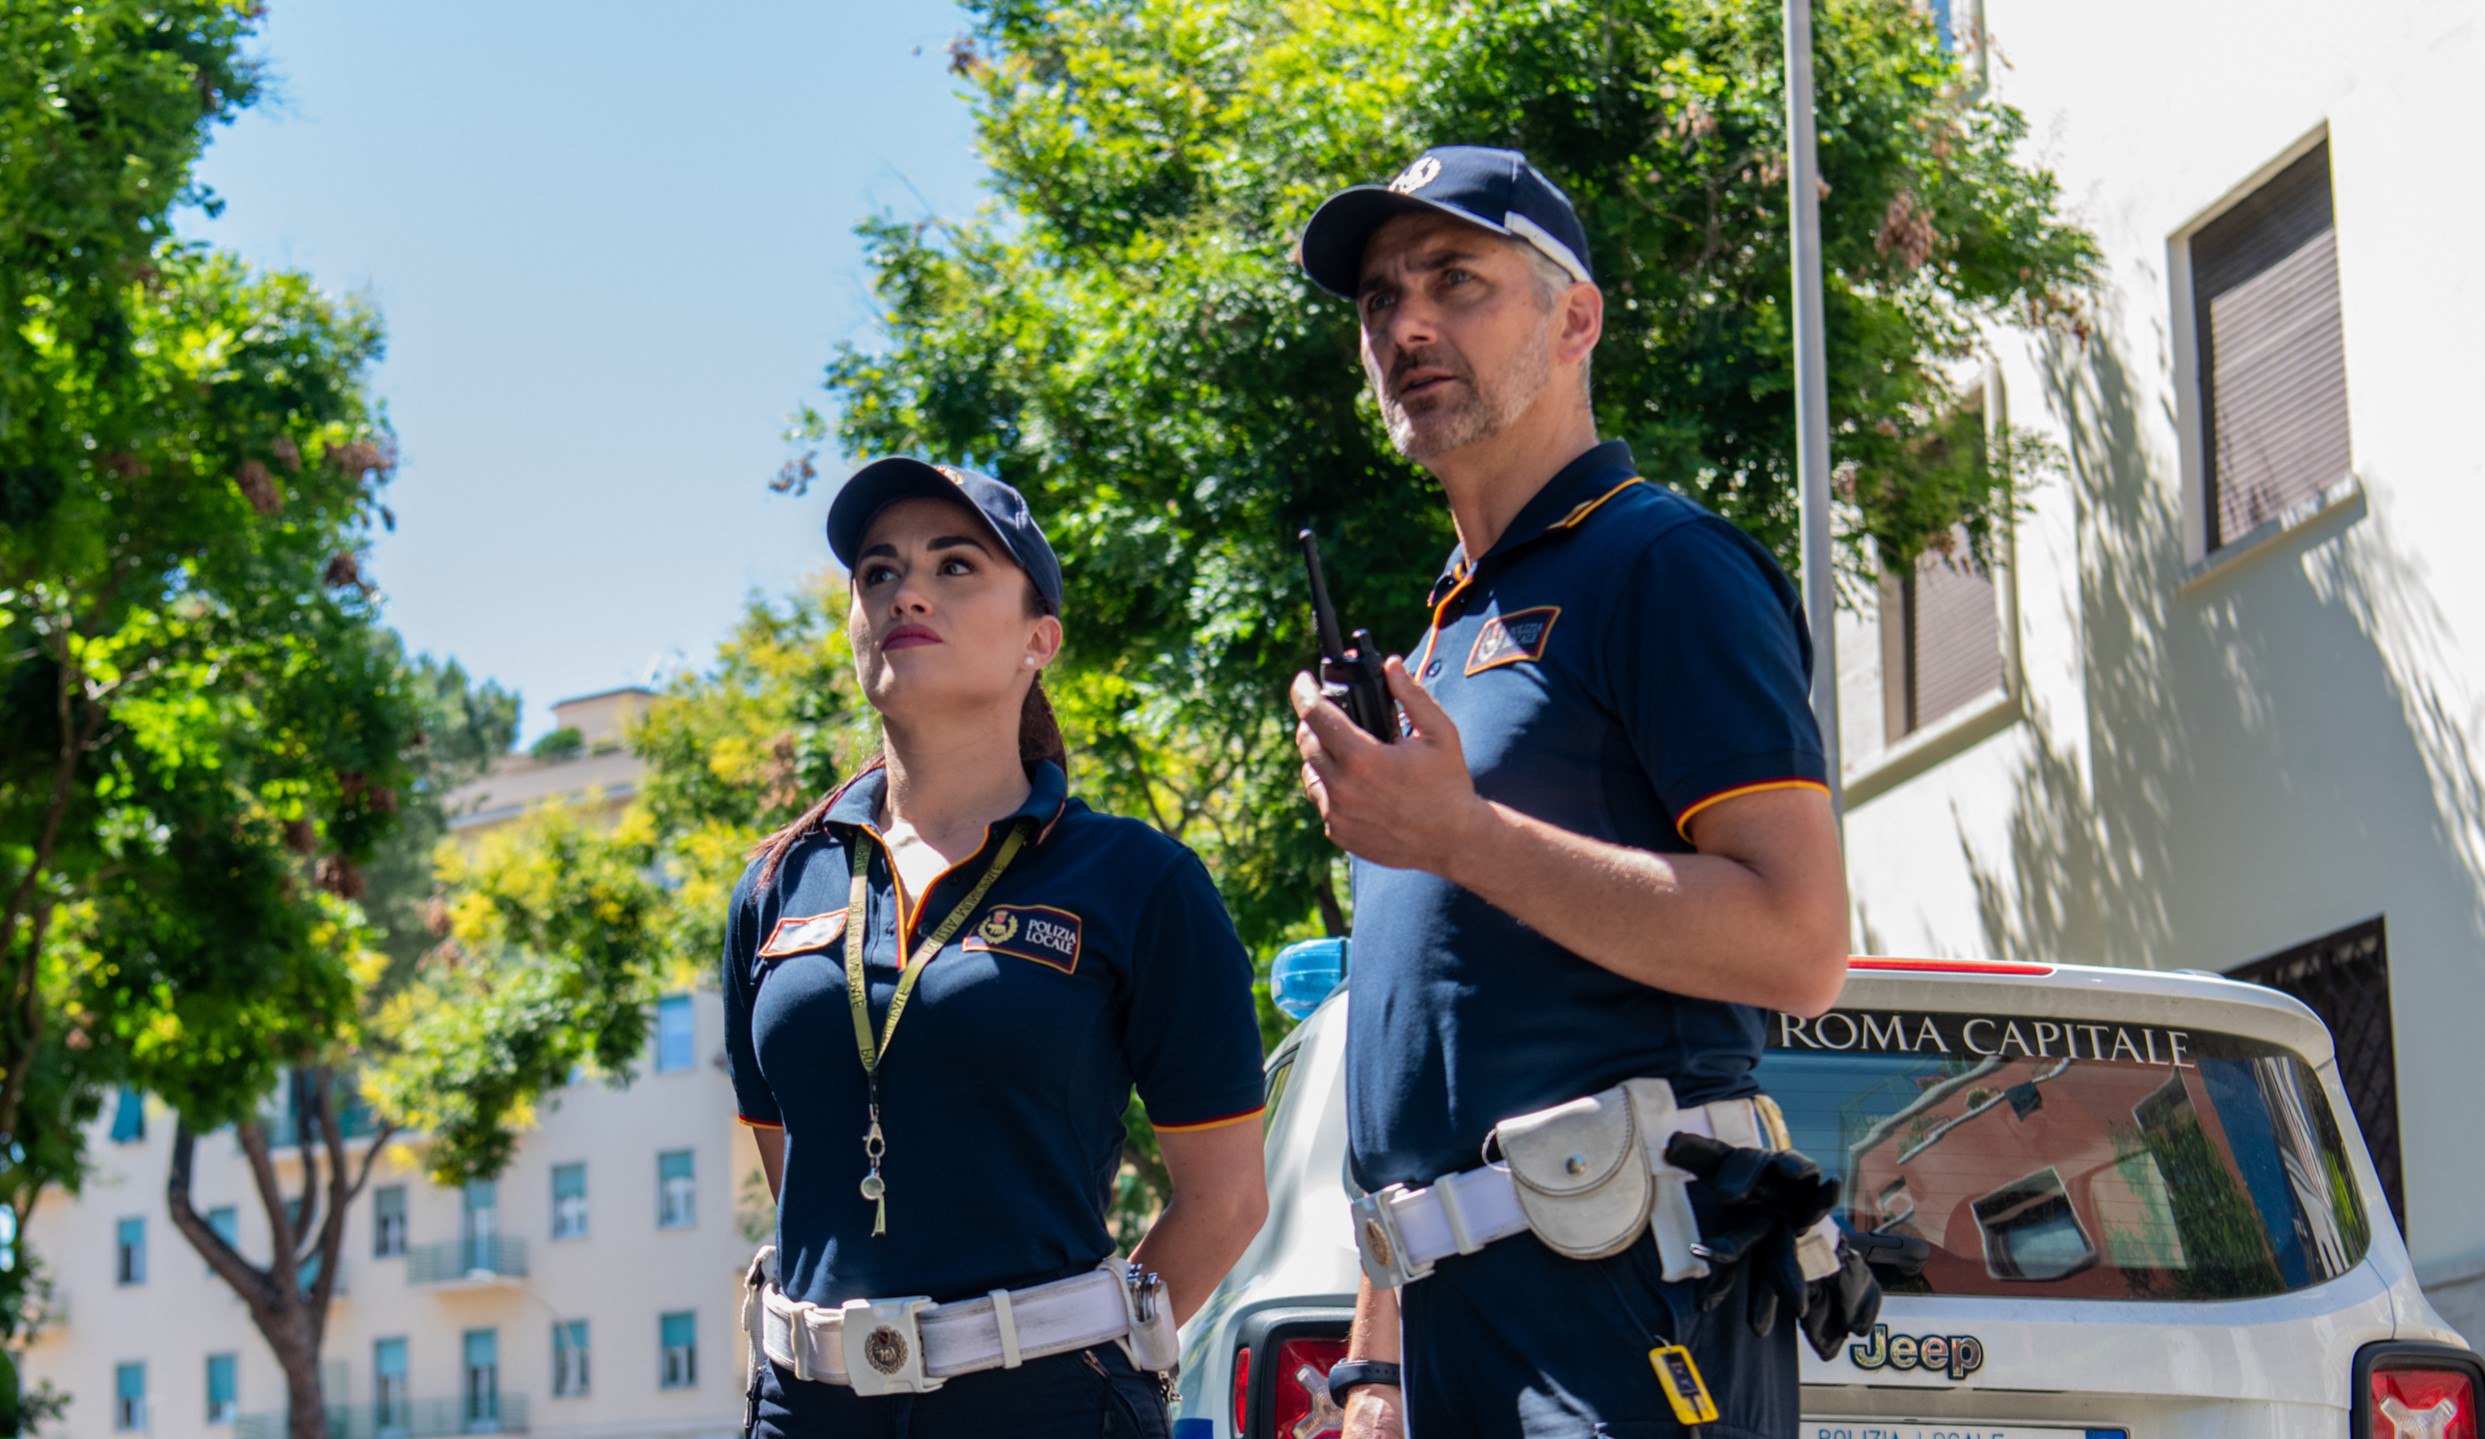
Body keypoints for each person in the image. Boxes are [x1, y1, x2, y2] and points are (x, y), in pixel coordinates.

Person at [1288, 146, 1855, 1438]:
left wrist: (1459, 831)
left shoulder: (1664, 563)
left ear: (1575, 317)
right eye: (1379, 300)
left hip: (1627, 1299)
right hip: (1457, 1327)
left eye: (1455, 280)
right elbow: (1421, 1037)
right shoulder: (1437, 636)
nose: (1407, 323)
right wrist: (1374, 1364)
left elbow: (1798, 942)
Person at [724, 458, 1271, 1438]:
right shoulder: (776, 886)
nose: (909, 590)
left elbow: (1225, 1198)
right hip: (804, 1406)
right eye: (878, 572)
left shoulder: (1136, 879)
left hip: (1047, 1402)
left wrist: (1075, 1348)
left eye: (957, 564)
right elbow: (796, 1163)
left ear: (1039, 638)